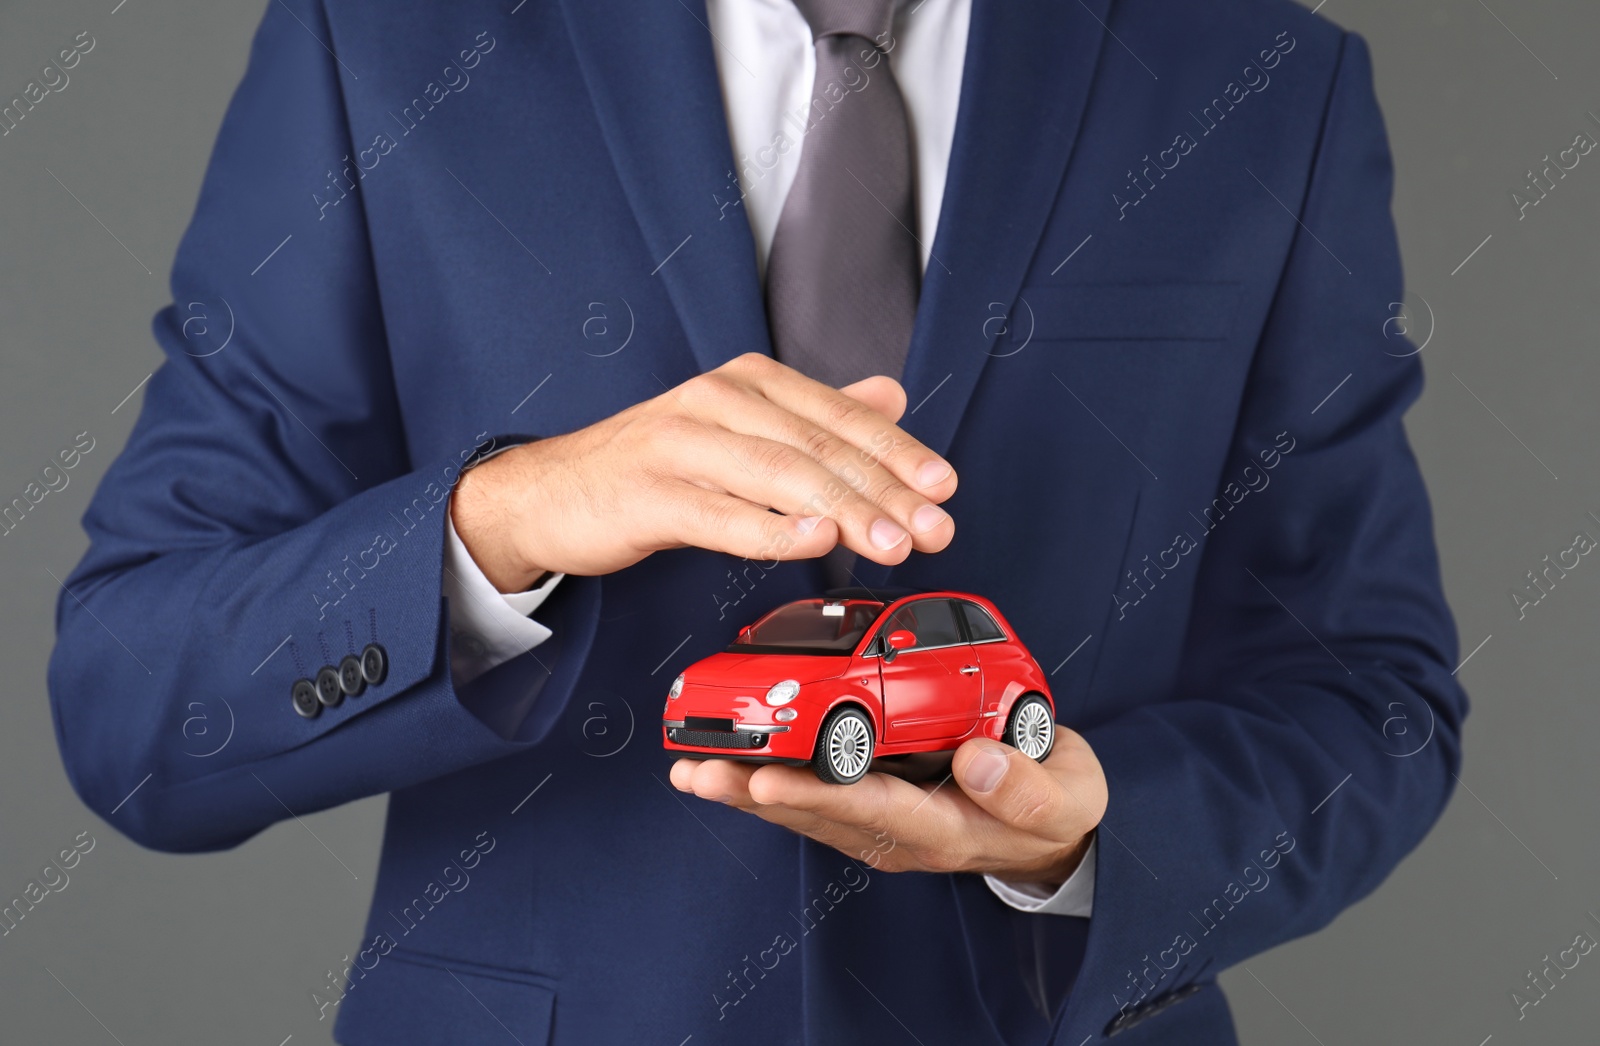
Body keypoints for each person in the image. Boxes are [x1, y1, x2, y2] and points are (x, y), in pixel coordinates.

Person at [47, 0, 1466, 1042]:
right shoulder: (381, 43)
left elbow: (1371, 695)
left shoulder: (1263, 82)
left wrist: (1089, 837)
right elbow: (129, 702)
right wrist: (504, 519)